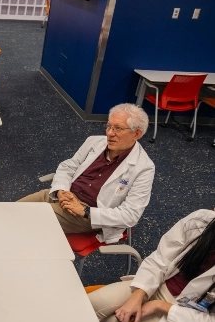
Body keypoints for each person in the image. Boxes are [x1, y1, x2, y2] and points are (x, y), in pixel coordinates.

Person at [89, 209, 215, 322]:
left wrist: (160, 306)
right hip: (156, 285)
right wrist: (138, 296)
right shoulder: (202, 220)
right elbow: (159, 259)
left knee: (93, 321)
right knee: (87, 306)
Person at [18, 103, 155, 244]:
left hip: (86, 214)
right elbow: (68, 166)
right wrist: (61, 190)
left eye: (118, 128)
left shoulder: (144, 168)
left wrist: (86, 211)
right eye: (109, 126)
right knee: (9, 210)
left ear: (137, 133)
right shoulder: (94, 142)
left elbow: (130, 215)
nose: (109, 133)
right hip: (64, 195)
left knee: (27, 219)